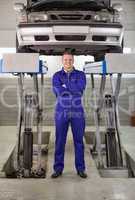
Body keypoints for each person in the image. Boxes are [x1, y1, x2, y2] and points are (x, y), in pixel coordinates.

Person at [51, 50, 87, 178]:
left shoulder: (81, 74)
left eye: (70, 60)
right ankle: (58, 169)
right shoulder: (56, 75)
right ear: (62, 61)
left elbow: (80, 90)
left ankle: (81, 169)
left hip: (78, 112)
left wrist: (66, 85)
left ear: (73, 61)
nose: (68, 62)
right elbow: (59, 91)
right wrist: (70, 88)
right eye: (65, 60)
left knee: (79, 141)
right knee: (60, 141)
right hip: (62, 112)